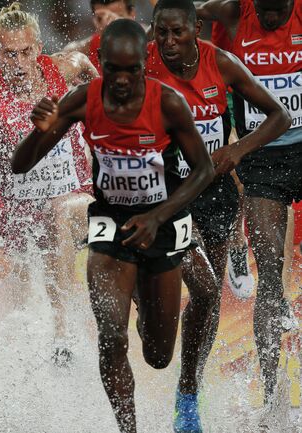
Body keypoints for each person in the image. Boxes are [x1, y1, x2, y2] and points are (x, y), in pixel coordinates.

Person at [12, 19, 214, 433]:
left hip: (162, 219)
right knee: (111, 336)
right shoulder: (82, 100)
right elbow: (20, 165)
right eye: (114, 70)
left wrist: (157, 216)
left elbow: (203, 170)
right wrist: (40, 133)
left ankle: (143, 296)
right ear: (99, 64)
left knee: (158, 354)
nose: (122, 80)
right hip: (111, 223)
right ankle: (128, 428)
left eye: (132, 70)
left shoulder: (169, 103)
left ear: (145, 65)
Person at [147, 0, 291, 430]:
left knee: (207, 305)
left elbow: (279, 115)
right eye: (161, 34)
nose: (169, 43)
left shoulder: (221, 62)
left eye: (178, 33)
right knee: (202, 291)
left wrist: (237, 150)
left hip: (217, 195)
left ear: (196, 28)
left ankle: (189, 390)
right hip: (169, 195)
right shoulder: (144, 67)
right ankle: (186, 387)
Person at [0, 2, 98, 365]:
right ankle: (34, 369)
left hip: (77, 198)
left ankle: (63, 337)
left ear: (39, 48)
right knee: (23, 303)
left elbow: (112, 99)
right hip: (21, 215)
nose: (19, 63)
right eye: (9, 54)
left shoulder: (68, 67)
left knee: (61, 213)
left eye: (26, 52)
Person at [195, 0, 302, 406]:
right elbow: (190, 16)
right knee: (271, 282)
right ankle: (273, 397)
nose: (270, 18)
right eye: (264, 10)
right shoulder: (230, 13)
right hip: (261, 159)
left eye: (278, 10)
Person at [64, 0, 139, 73]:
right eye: (101, 18)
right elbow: (62, 57)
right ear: (94, 20)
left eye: (119, 16)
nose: (109, 23)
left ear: (132, 14)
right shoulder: (85, 49)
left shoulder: (148, 38)